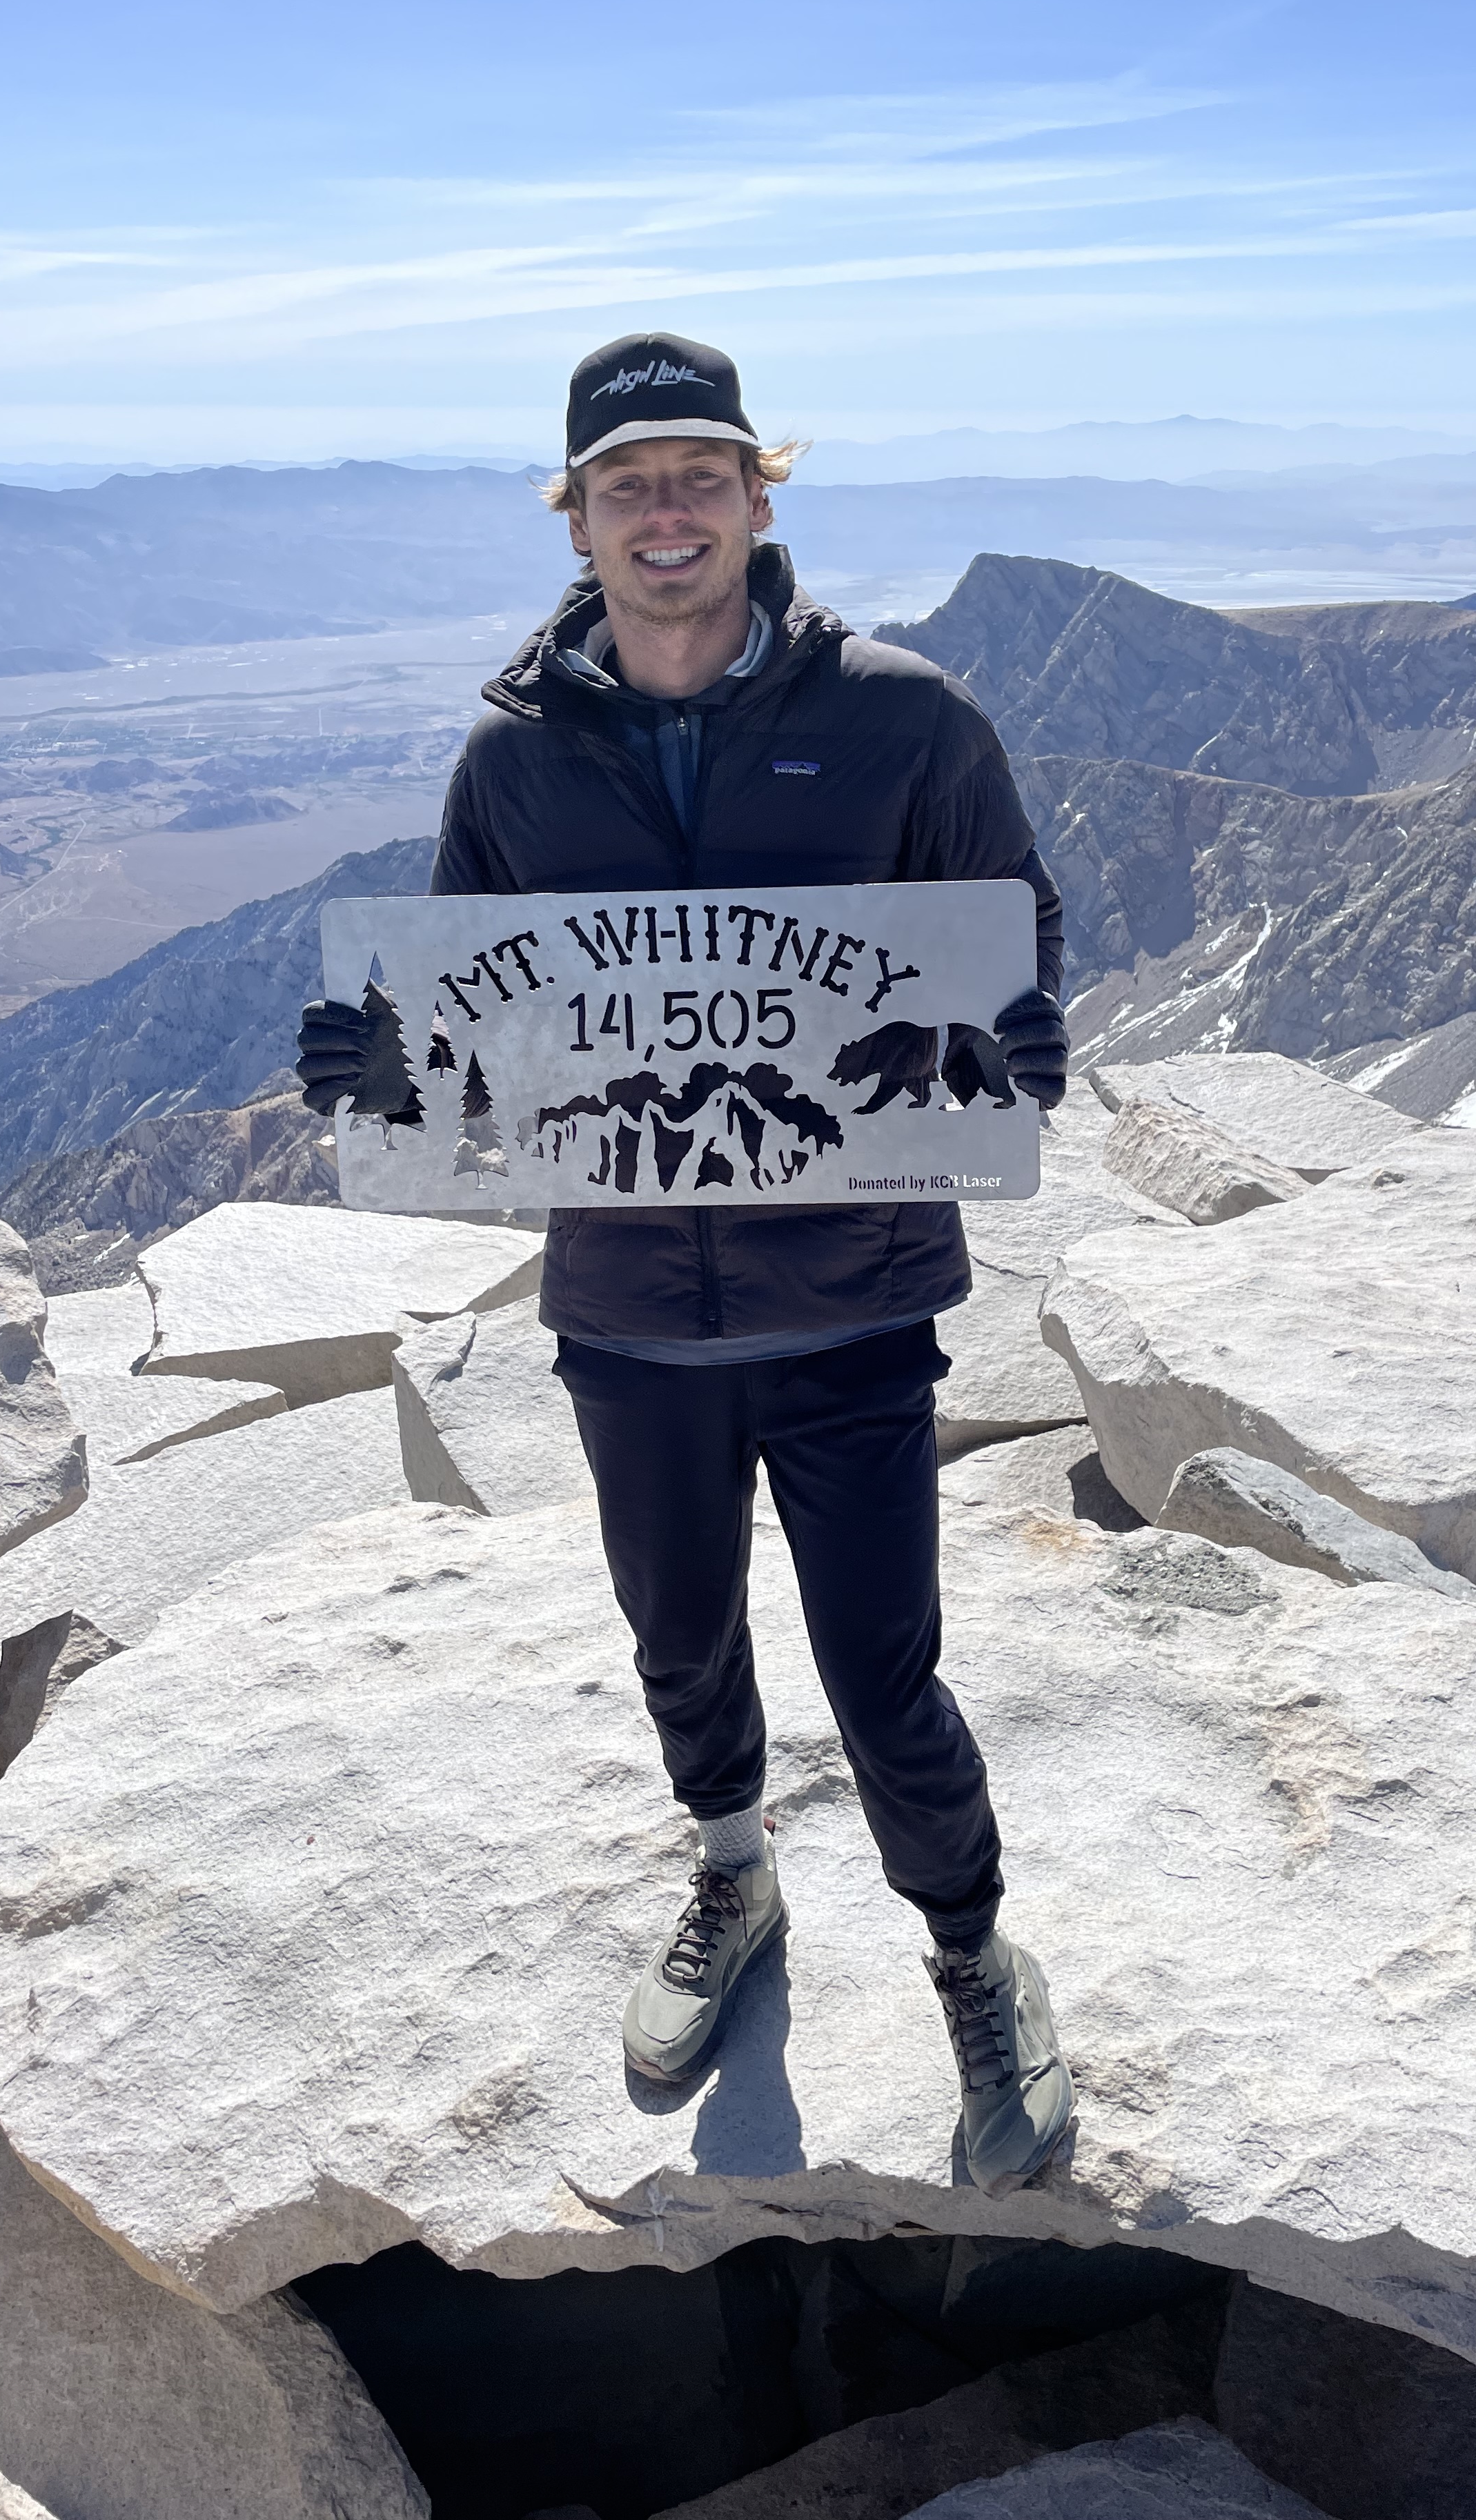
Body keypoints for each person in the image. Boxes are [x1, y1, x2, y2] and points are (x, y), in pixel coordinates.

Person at [297, 330, 1074, 2192]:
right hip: (630, 1304)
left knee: (887, 1677)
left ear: (758, 496)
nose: (667, 511)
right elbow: (468, 1004)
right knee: (677, 1638)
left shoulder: (908, 718)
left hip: (858, 1297)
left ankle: (975, 1954)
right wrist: (372, 1059)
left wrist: (1023, 1030)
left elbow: (1008, 931)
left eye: (700, 475)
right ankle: (734, 1878)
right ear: (580, 514)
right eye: (629, 482)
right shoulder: (517, 755)